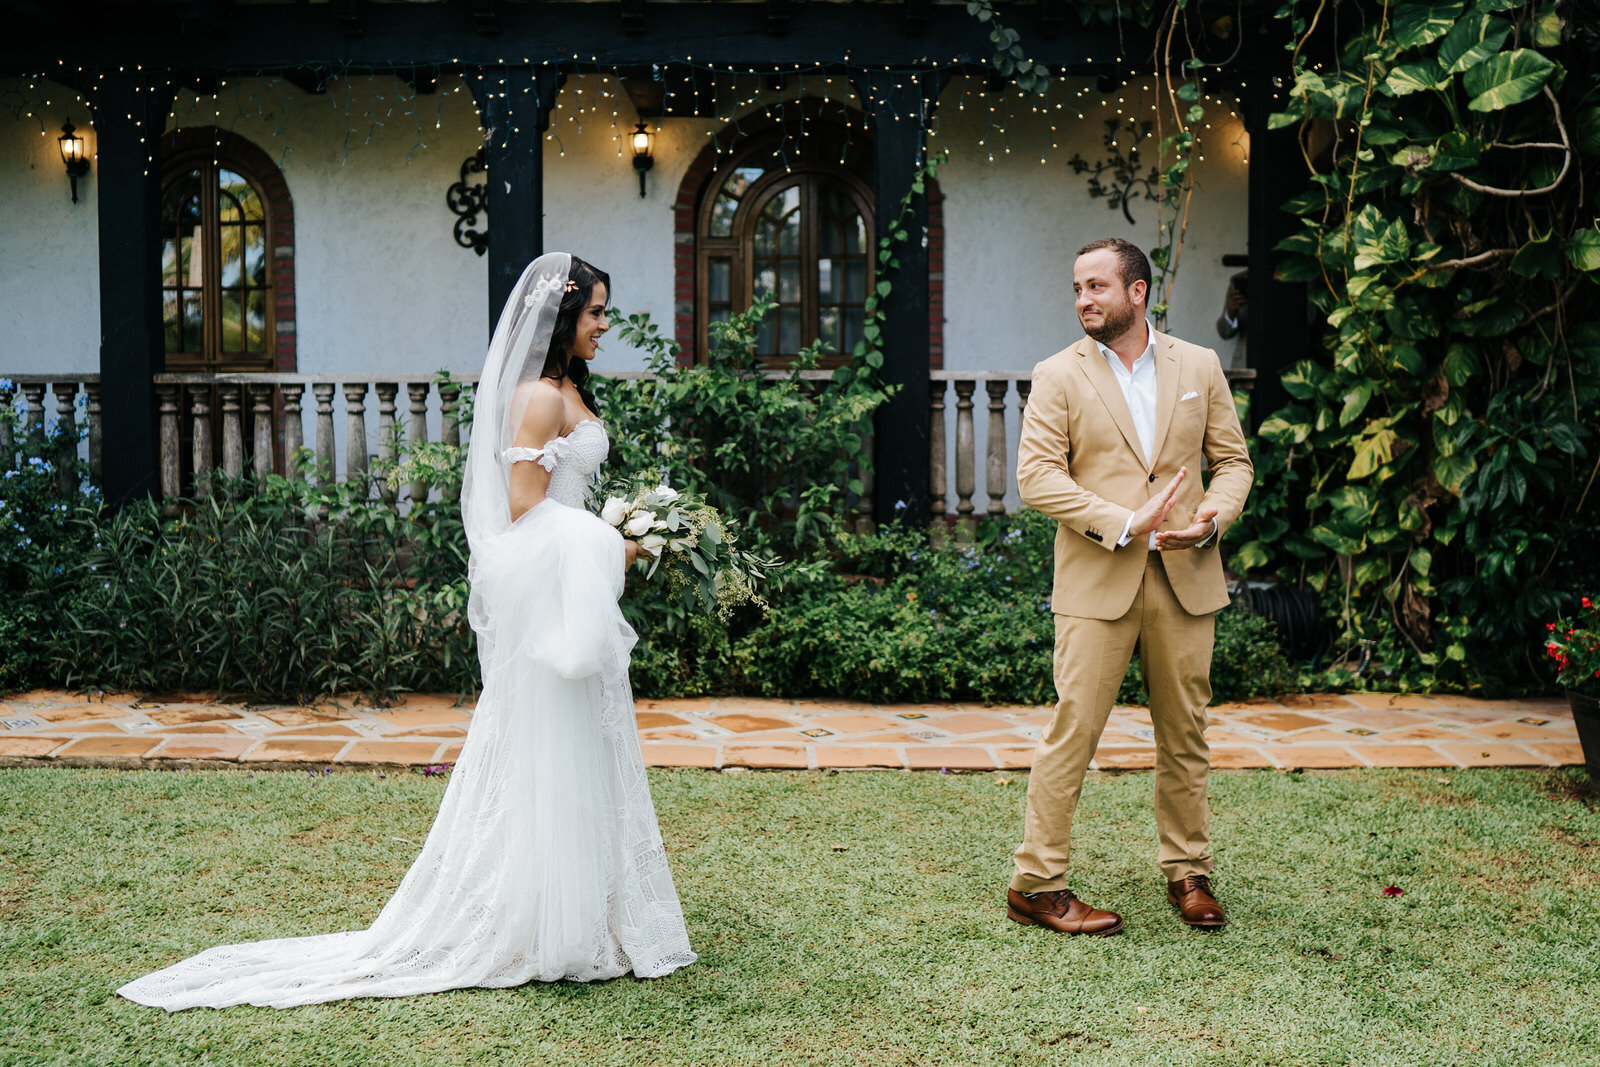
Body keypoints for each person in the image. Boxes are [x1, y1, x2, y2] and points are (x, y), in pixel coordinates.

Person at [118, 252, 697, 1010]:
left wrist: (623, 528)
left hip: (569, 594)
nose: (604, 324)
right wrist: (613, 543)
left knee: (579, 746)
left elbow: (559, 492)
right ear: (563, 317)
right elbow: (523, 508)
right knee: (547, 747)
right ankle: (549, 924)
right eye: (595, 312)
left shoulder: (567, 390)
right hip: (553, 594)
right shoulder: (537, 396)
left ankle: (588, 916)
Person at [1007, 238, 1253, 936]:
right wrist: (1121, 521)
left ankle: (1189, 872)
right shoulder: (1057, 373)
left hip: (1186, 579)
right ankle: (1037, 882)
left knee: (1186, 733)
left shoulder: (1199, 366)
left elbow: (1232, 463)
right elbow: (1037, 477)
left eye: (1097, 286)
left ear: (1136, 292)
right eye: (1077, 288)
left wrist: (1208, 522)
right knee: (1072, 733)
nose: (1084, 298)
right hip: (1096, 578)